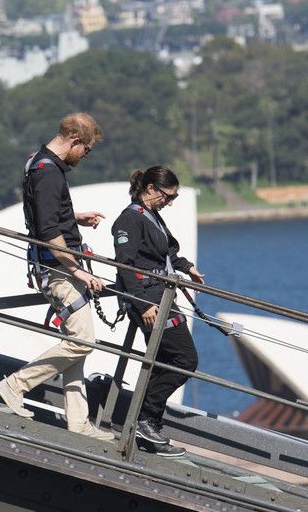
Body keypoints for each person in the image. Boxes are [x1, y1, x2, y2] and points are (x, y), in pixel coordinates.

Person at [0, 112, 113, 441]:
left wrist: (75, 217)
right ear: (75, 140)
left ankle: (78, 422)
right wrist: (77, 270)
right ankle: (15, 385)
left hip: (56, 266)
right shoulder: (48, 172)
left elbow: (45, 211)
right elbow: (48, 231)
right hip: (59, 270)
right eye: (86, 150)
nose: (85, 156)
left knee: (77, 343)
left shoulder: (39, 162)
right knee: (83, 341)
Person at [111, 166, 203, 458]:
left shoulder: (150, 215)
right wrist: (141, 304)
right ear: (150, 188)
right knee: (185, 359)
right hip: (149, 301)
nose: (169, 202)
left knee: (164, 362)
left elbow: (164, 253)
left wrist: (186, 267)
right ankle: (145, 421)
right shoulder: (130, 219)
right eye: (167, 196)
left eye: (173, 198)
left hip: (160, 297)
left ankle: (149, 428)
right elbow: (125, 264)